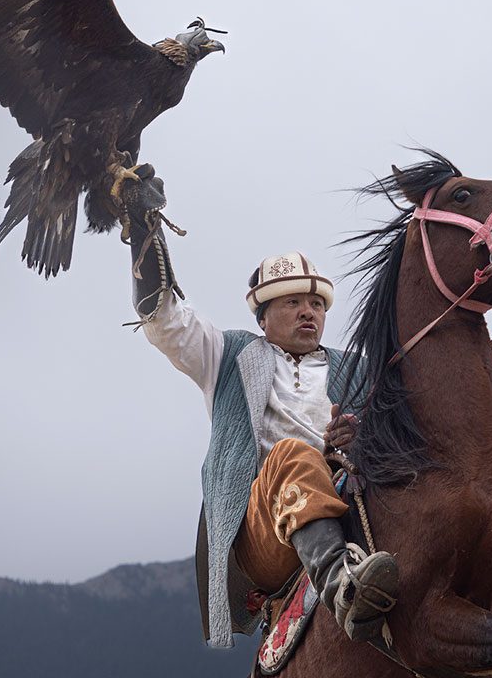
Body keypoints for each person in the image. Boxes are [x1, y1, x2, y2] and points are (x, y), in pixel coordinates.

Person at [123, 171, 397, 649]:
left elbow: (400, 433)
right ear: (263, 316)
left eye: (316, 303)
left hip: (347, 507)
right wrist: (143, 227)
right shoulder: (230, 356)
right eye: (292, 302)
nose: (308, 312)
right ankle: (343, 589)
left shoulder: (358, 368)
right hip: (263, 530)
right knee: (292, 455)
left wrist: (363, 438)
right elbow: (164, 321)